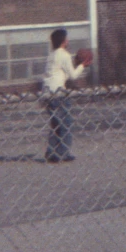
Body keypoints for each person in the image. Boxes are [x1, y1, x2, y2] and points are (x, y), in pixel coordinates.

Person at [43, 28, 91, 163]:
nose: (68, 41)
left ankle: (52, 152)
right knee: (66, 123)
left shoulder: (51, 55)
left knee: (55, 124)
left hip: (47, 93)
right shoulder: (64, 55)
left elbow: (60, 71)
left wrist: (75, 63)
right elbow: (73, 76)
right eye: (67, 38)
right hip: (58, 93)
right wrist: (82, 65)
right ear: (64, 41)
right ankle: (63, 153)